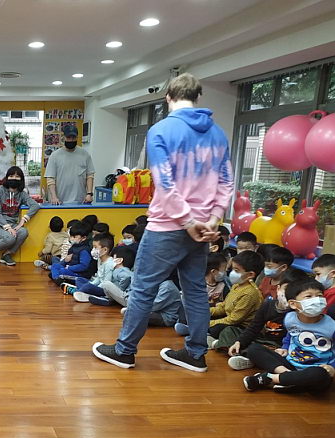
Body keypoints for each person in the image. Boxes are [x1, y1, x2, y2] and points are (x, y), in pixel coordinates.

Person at [92, 73, 233, 372]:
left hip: (168, 226)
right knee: (195, 290)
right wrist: (212, 219)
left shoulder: (160, 130)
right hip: (203, 229)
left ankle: (124, 351)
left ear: (168, 96)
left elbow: (165, 184)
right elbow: (226, 183)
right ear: (198, 97)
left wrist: (188, 220)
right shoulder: (218, 134)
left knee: (143, 289)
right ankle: (195, 354)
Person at [242, 278, 335, 393]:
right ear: (293, 304)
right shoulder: (290, 318)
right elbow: (290, 334)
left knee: (319, 374)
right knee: (254, 349)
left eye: (320, 295)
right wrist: (285, 347)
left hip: (316, 369)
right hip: (291, 364)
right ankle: (289, 378)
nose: (316, 300)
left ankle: (270, 378)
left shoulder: (332, 326)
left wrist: (333, 366)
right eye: (309, 296)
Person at [227, 268, 308, 370]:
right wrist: (239, 342)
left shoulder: (297, 312)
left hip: (278, 346)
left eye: (295, 293)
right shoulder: (267, 305)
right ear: (278, 288)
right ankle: (245, 354)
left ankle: (250, 357)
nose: (289, 295)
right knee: (229, 331)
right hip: (262, 339)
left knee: (255, 349)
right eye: (287, 289)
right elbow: (254, 327)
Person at [0, 167, 40, 267]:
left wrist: (23, 221)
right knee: (10, 238)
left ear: (21, 179)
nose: (14, 178)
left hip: (13, 225)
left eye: (17, 176)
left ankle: (7, 254)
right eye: (11, 176)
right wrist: (8, 227)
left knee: (24, 232)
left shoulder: (22, 194)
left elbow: (35, 205)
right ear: (7, 177)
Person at [45, 124, 95, 205]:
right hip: (59, 202)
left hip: (81, 202)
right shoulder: (55, 156)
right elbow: (50, 178)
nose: (71, 140)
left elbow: (90, 175)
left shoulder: (85, 155)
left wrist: (89, 194)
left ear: (77, 138)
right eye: (68, 137)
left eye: (73, 137)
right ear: (63, 137)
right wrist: (54, 197)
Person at [63, 234, 115, 302]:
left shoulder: (109, 263)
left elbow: (106, 283)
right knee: (79, 280)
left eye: (95, 247)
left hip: (104, 289)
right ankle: (83, 292)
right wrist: (91, 284)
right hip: (97, 285)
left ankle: (77, 291)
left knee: (88, 287)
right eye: (93, 247)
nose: (93, 250)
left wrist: (92, 287)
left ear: (105, 250)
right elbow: (98, 277)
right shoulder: (99, 259)